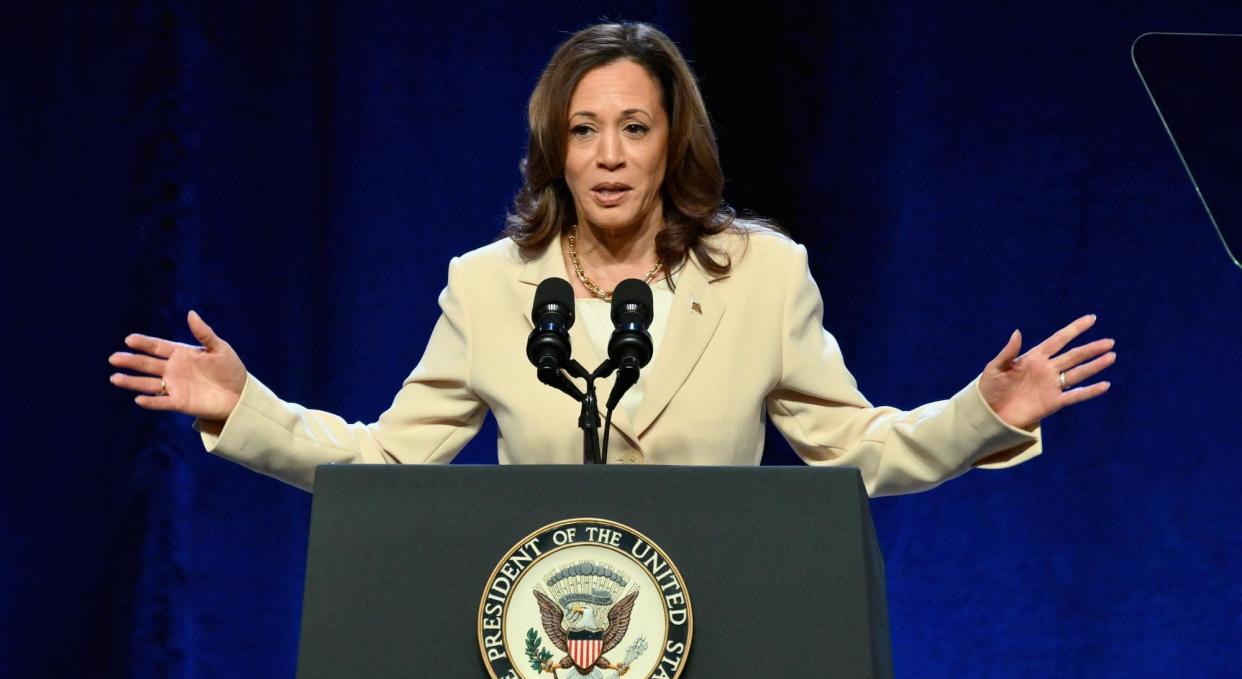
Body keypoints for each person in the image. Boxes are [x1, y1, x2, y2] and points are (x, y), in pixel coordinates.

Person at [108, 22, 1114, 496]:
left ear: (673, 139)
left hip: (715, 644)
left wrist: (984, 412)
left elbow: (854, 451)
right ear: (556, 146)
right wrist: (244, 407)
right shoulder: (489, 286)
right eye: (585, 130)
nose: (609, 155)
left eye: (634, 127)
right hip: (540, 651)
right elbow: (386, 464)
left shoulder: (764, 277)